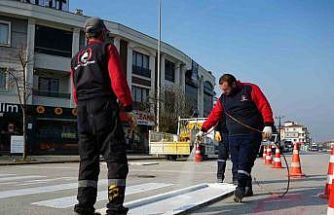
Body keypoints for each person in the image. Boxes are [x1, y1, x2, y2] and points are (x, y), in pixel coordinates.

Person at [70, 17, 136, 215]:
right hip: (104, 108)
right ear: (102, 32)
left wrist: (81, 105)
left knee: (87, 161)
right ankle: (115, 208)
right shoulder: (107, 49)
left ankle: (84, 207)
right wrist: (126, 104)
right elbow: (117, 79)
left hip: (82, 110)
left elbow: (74, 90)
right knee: (115, 159)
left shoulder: (75, 58)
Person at [197, 74, 274, 202]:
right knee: (237, 164)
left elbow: (264, 105)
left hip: (251, 134)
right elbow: (214, 115)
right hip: (233, 136)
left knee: (244, 162)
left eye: (226, 89)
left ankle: (240, 189)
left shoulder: (250, 89)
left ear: (233, 84)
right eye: (222, 90)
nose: (225, 92)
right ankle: (247, 187)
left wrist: (268, 125)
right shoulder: (223, 99)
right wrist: (203, 130)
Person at [215, 116, 237, 184]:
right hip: (223, 134)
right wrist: (217, 130)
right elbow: (217, 118)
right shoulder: (222, 107)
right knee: (222, 156)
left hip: (235, 134)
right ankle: (220, 177)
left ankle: (236, 178)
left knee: (236, 157)